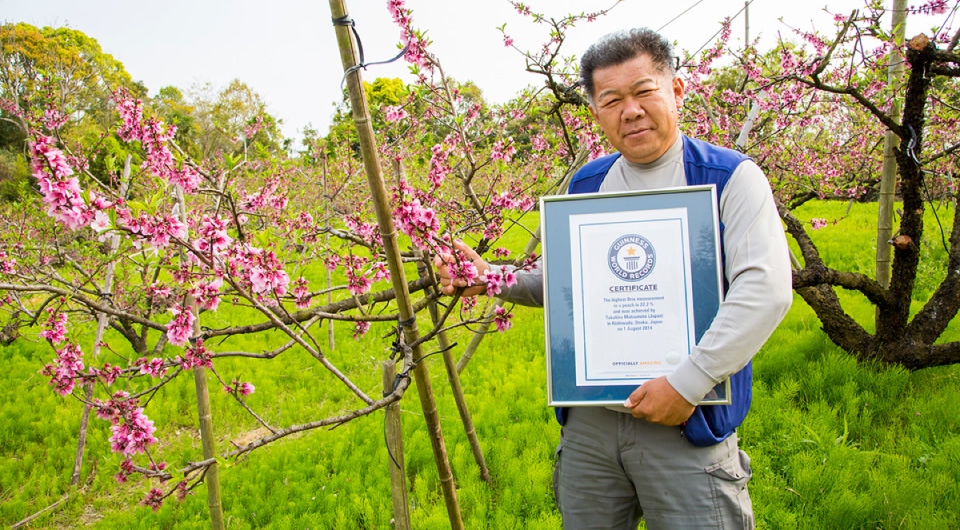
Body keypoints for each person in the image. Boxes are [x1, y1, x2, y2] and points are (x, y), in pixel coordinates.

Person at [434, 28, 792, 529]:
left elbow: (765, 290)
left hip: (686, 417)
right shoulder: (587, 184)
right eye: (612, 99)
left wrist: (686, 384)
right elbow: (565, 285)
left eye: (644, 91)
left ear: (676, 90)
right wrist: (491, 278)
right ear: (597, 111)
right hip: (592, 424)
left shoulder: (727, 177)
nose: (631, 109)